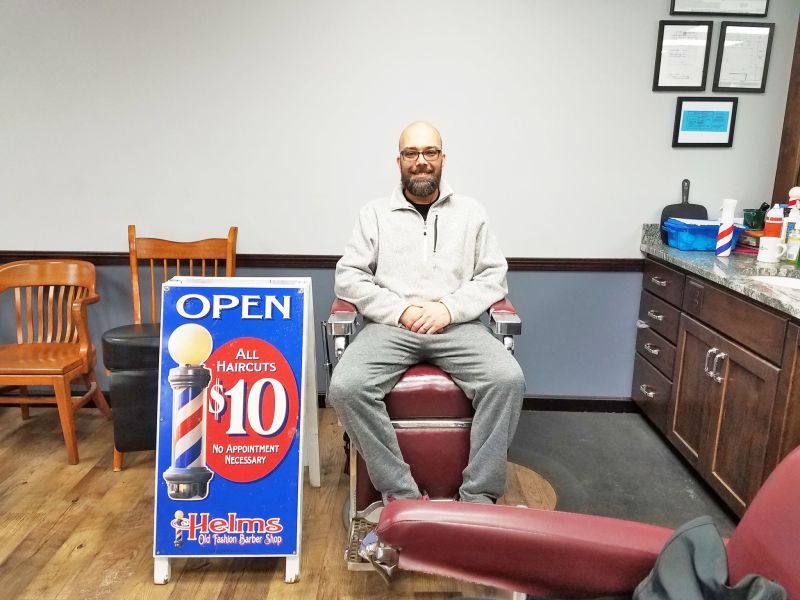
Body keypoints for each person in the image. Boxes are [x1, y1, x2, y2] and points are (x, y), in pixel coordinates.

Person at [328, 121, 525, 511]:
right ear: (398, 161)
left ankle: (477, 498)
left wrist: (447, 308)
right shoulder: (374, 214)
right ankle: (400, 495)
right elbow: (348, 277)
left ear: (443, 158)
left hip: (457, 326)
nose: (421, 162)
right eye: (411, 154)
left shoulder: (471, 213)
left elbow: (493, 277)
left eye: (430, 153)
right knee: (346, 387)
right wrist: (400, 309)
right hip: (390, 326)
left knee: (507, 380)